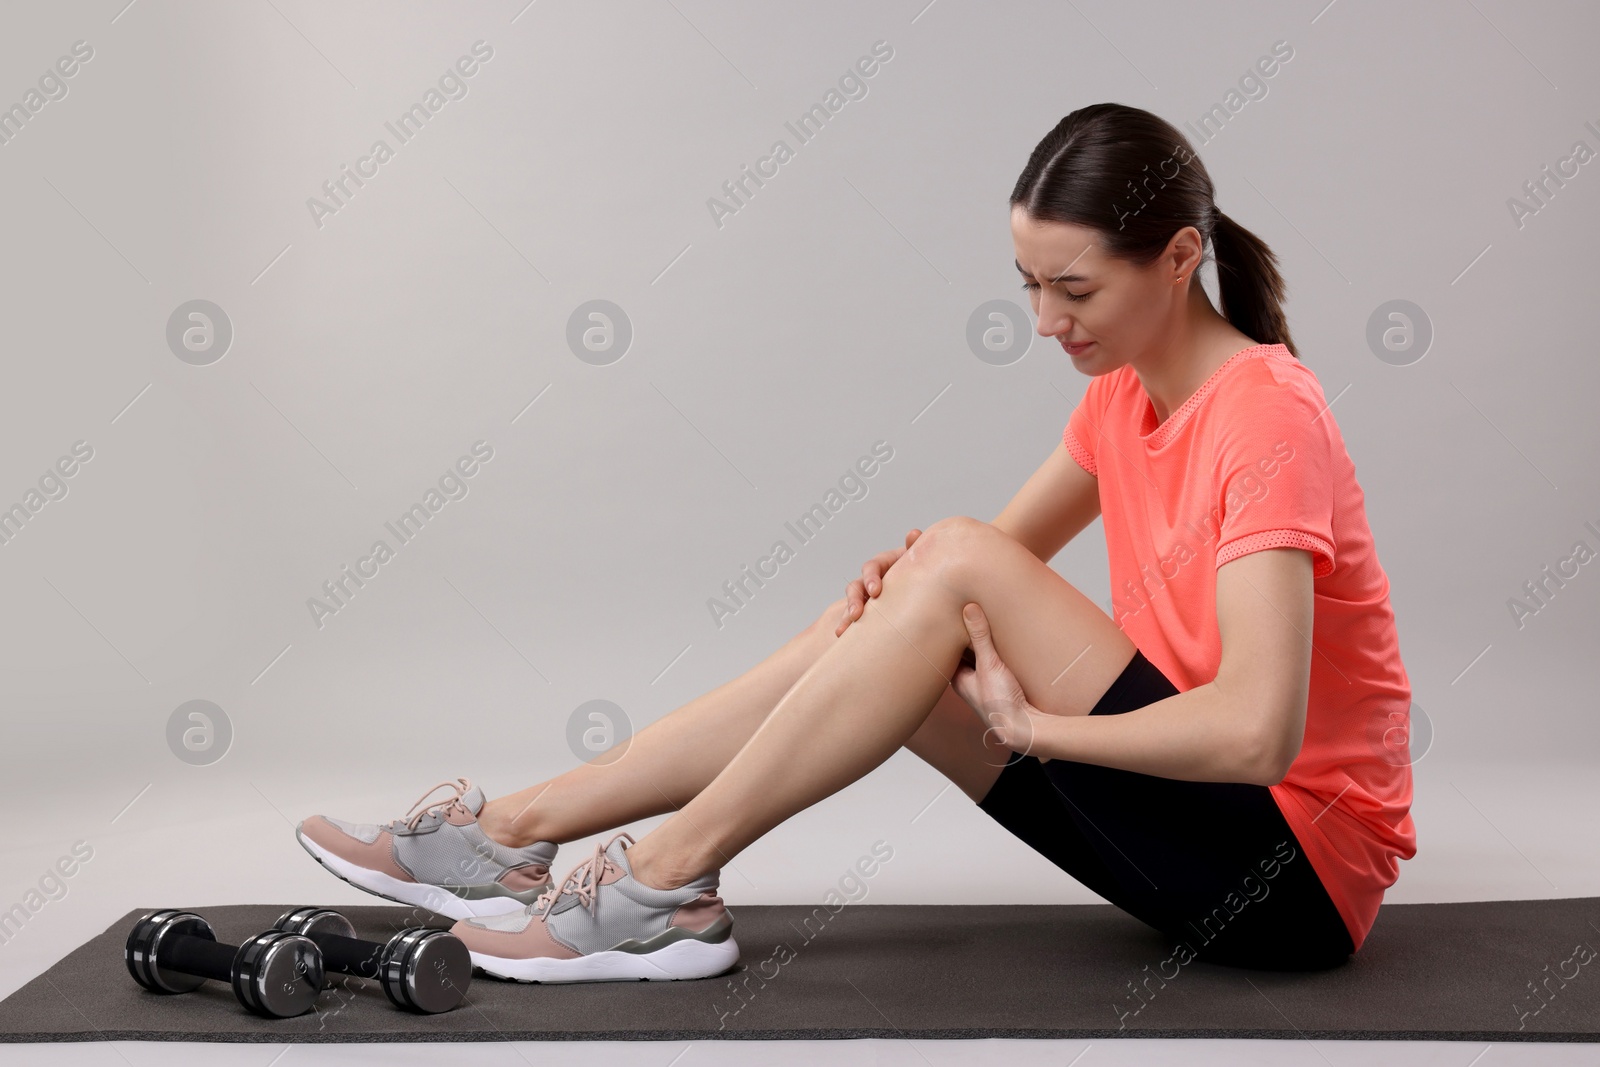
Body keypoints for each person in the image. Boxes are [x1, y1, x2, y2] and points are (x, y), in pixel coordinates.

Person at [294, 102, 1417, 981]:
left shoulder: (1266, 410)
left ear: (1179, 259)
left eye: (1074, 287)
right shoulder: (1122, 396)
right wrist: (887, 605)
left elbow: (1258, 731)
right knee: (914, 595)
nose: (1043, 321)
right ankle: (513, 833)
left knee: (952, 568)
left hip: (1292, 878)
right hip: (1198, 842)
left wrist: (1042, 730)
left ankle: (658, 882)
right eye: (1027, 284)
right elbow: (977, 562)